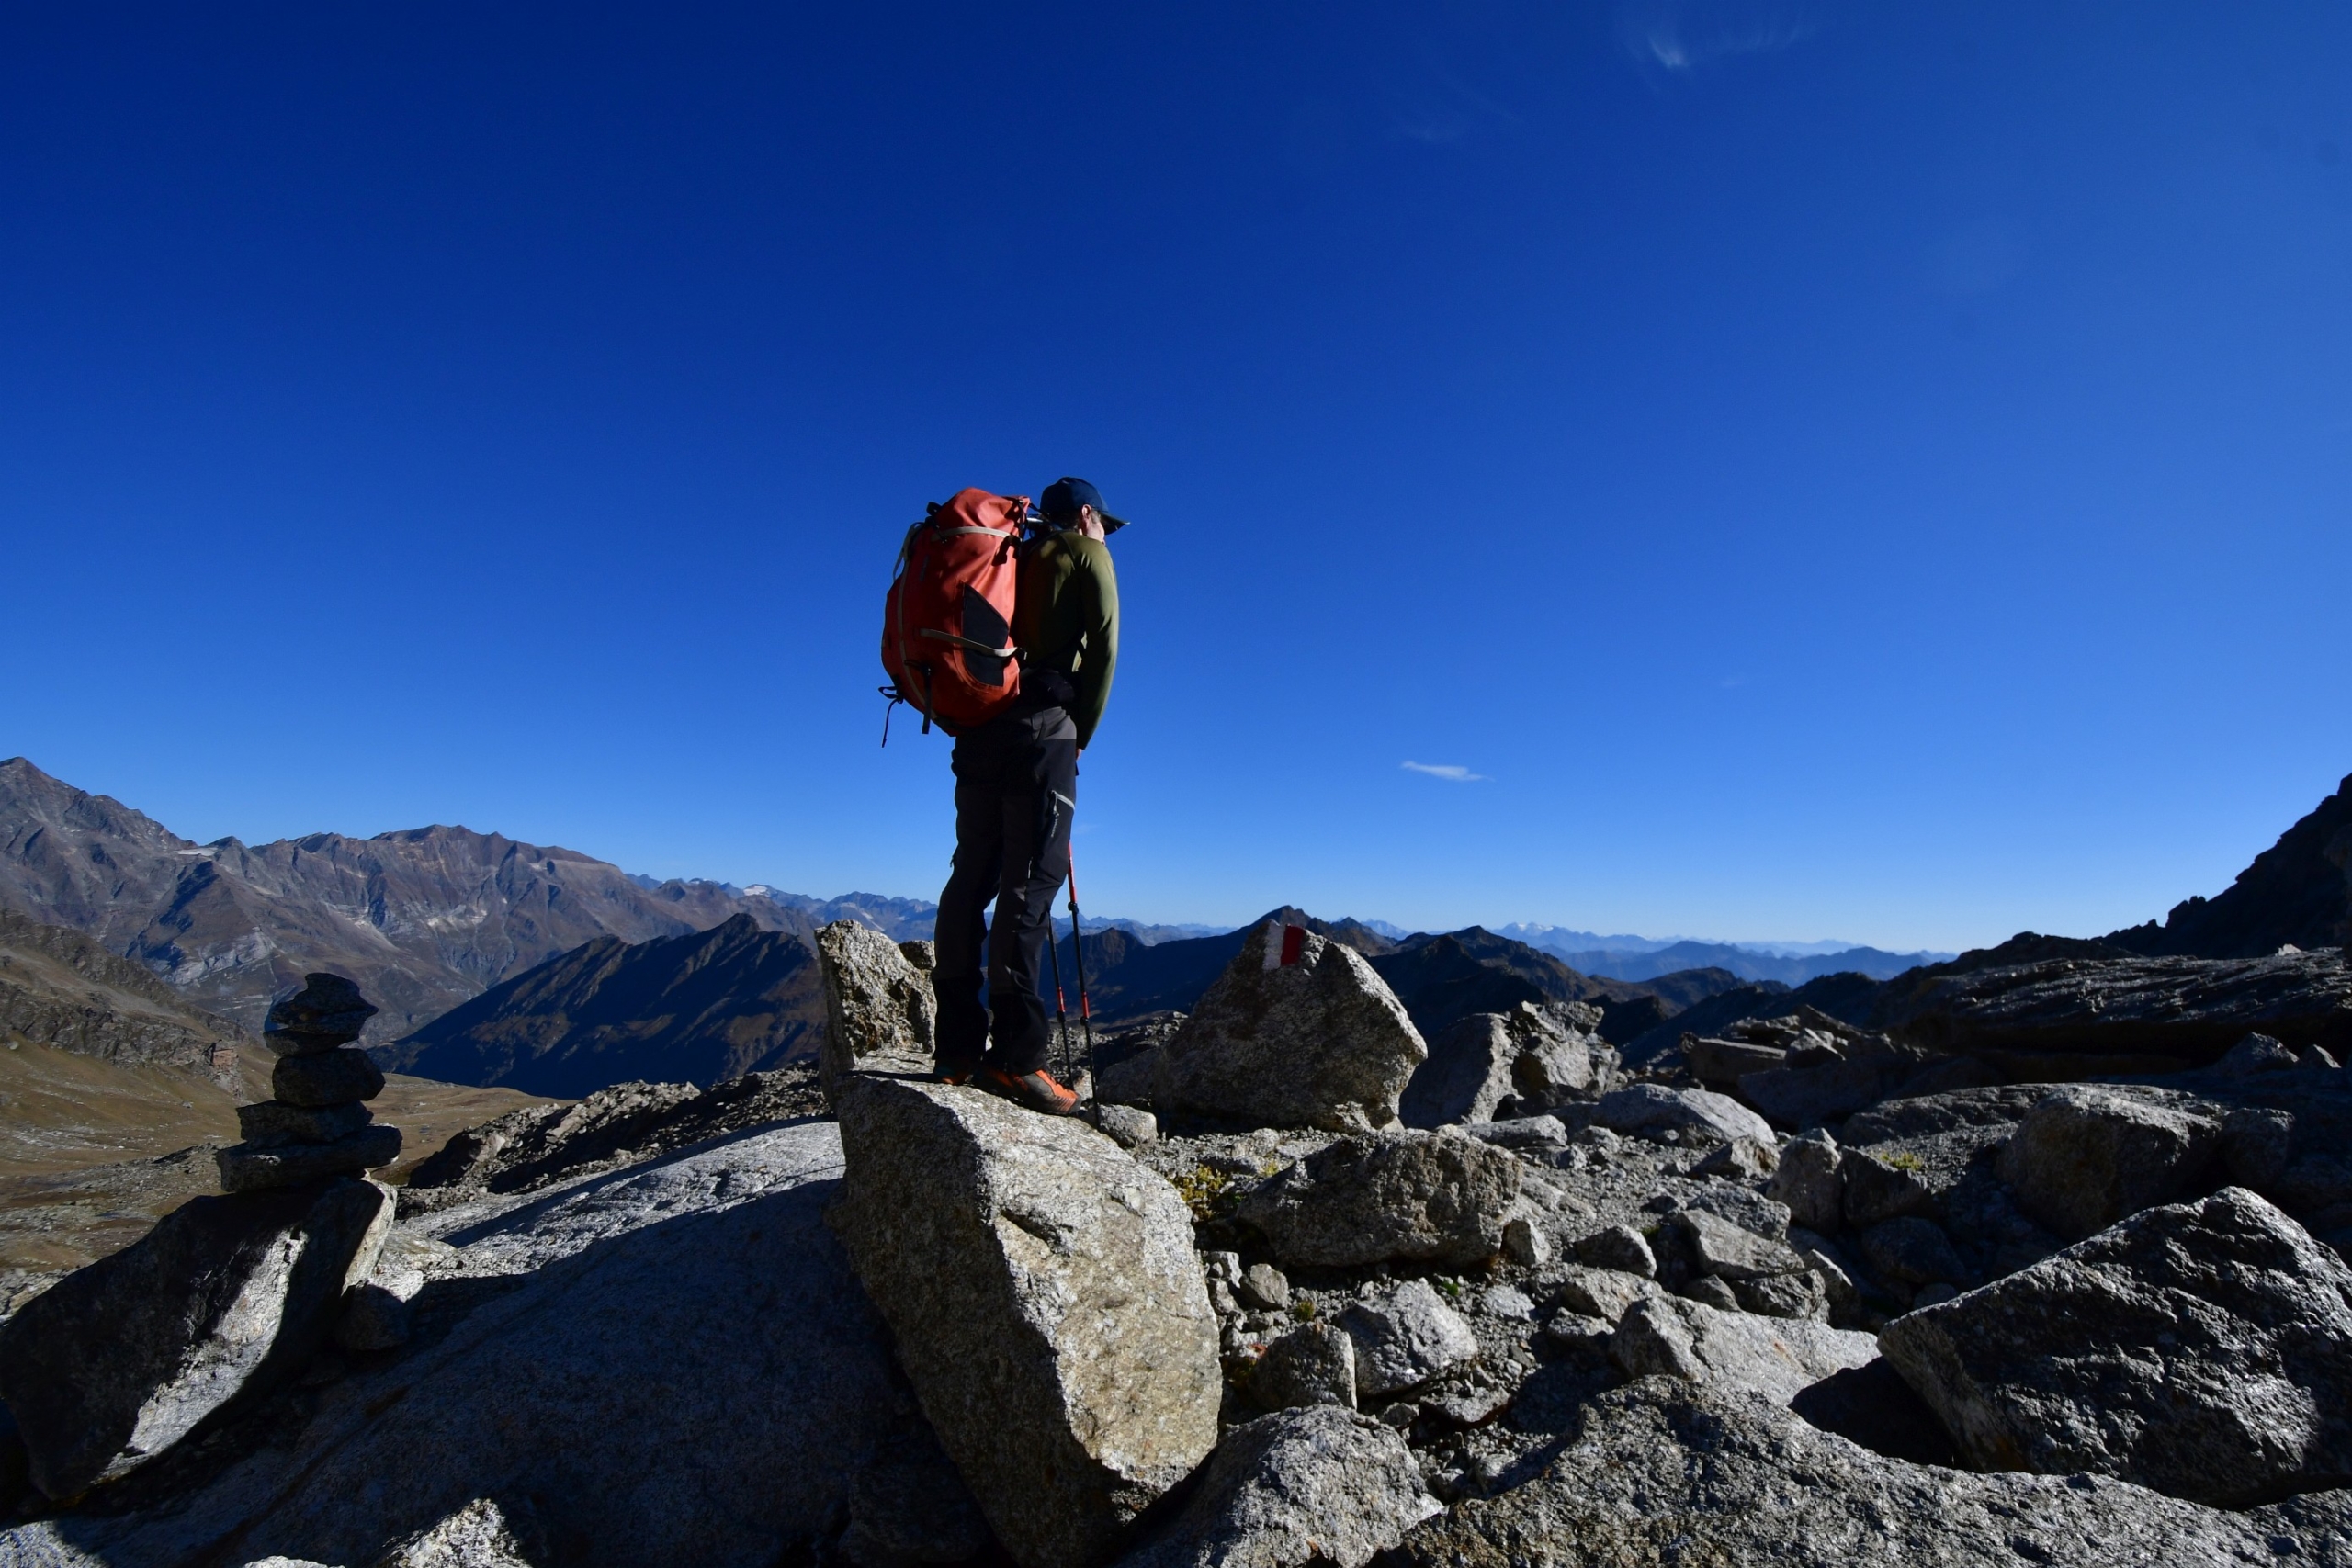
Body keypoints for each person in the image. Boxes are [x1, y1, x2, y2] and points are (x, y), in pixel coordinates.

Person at [931, 476, 1125, 1113]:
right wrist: (1080, 736)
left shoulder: (1008, 554)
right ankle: (1014, 1060)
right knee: (1030, 885)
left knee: (971, 877)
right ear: (1088, 514)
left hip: (979, 734)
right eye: (1104, 523)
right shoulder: (1085, 552)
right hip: (1042, 736)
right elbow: (1104, 649)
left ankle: (955, 1049)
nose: (1105, 533)